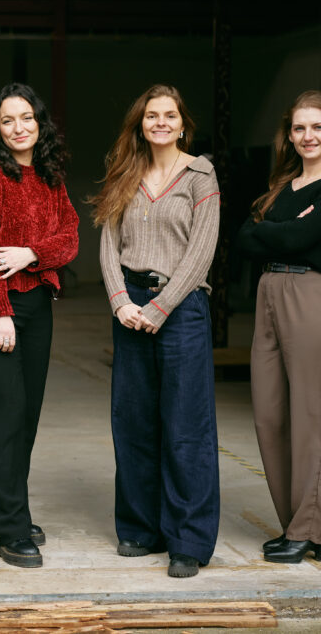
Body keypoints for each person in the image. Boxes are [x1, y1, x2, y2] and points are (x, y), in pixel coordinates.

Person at [88, 84, 220, 578]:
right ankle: (141, 528)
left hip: (180, 308)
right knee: (134, 424)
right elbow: (108, 242)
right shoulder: (126, 173)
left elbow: (201, 250)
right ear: (140, 124)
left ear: (182, 122)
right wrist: (121, 301)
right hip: (130, 307)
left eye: (169, 115)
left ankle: (188, 539)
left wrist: (160, 307)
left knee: (186, 428)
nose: (160, 122)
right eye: (151, 116)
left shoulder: (200, 175)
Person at [236, 90, 321, 564]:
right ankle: (294, 522)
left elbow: (298, 236)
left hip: (314, 298)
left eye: (317, 127)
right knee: (270, 416)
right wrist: (279, 230)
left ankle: (309, 529)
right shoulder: (281, 187)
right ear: (289, 136)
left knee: (315, 418)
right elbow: (245, 238)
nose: (308, 136)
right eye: (299, 128)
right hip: (269, 294)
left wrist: (274, 231)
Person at [0, 83, 79, 568]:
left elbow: (70, 237)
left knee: (26, 416)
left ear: (40, 123)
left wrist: (33, 253)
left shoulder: (50, 176)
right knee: (6, 415)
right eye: (8, 120)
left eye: (26, 118)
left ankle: (0, 510)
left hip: (38, 308)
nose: (18, 128)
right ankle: (10, 529)